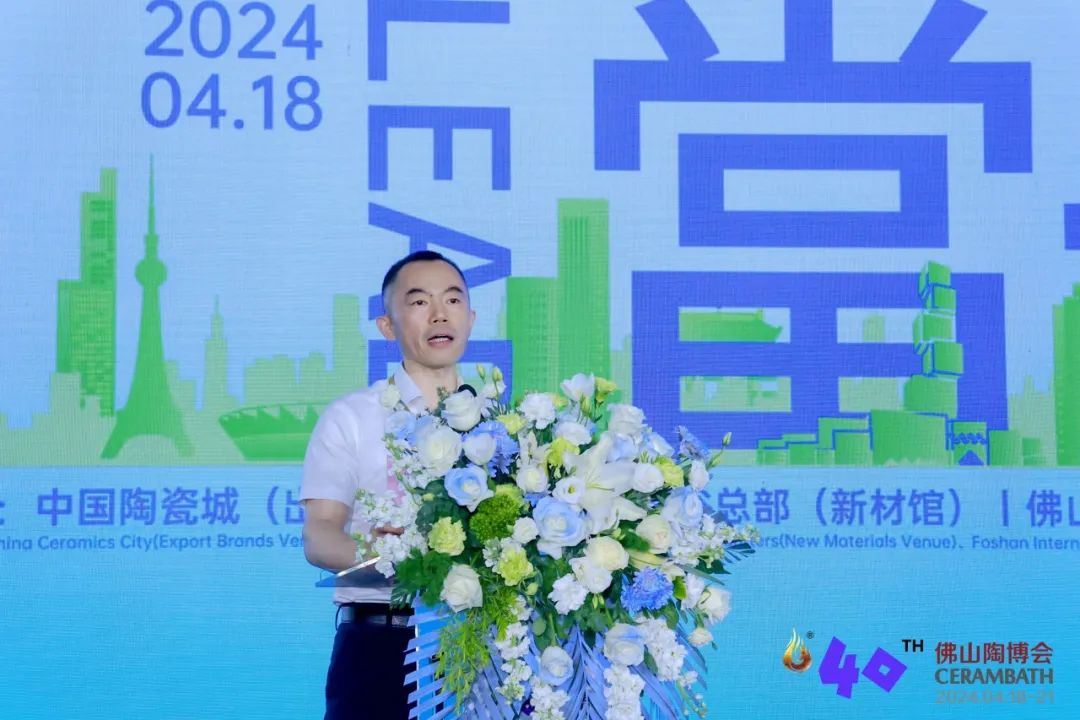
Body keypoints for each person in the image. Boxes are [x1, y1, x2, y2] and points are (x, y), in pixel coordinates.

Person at [300, 249, 475, 720]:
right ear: (387, 326)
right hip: (383, 644)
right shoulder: (352, 417)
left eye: (453, 300)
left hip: (483, 644)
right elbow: (319, 534)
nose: (439, 314)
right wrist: (385, 555)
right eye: (419, 302)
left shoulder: (506, 425)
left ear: (470, 318)